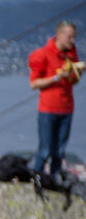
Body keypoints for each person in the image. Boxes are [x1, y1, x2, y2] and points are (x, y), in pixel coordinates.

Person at [29, 20, 80, 180]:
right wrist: (57, 77)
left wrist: (77, 72)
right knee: (45, 150)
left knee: (59, 151)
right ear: (59, 35)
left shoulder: (71, 54)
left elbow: (73, 81)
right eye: (69, 37)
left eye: (73, 38)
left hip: (67, 109)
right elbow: (34, 83)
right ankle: (35, 180)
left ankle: (54, 181)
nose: (72, 41)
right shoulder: (42, 54)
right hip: (48, 110)